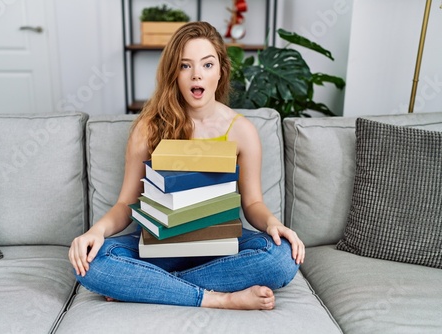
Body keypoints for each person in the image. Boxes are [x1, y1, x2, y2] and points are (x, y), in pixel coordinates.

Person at [69, 21, 305, 310]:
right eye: (185, 66)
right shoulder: (148, 127)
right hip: (158, 247)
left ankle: (148, 285)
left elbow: (253, 202)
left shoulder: (242, 131)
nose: (197, 75)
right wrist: (97, 231)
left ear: (221, 71)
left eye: (207, 65)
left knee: (282, 259)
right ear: (174, 73)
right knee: (92, 265)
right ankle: (218, 298)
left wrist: (274, 224)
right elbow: (126, 205)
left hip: (220, 248)